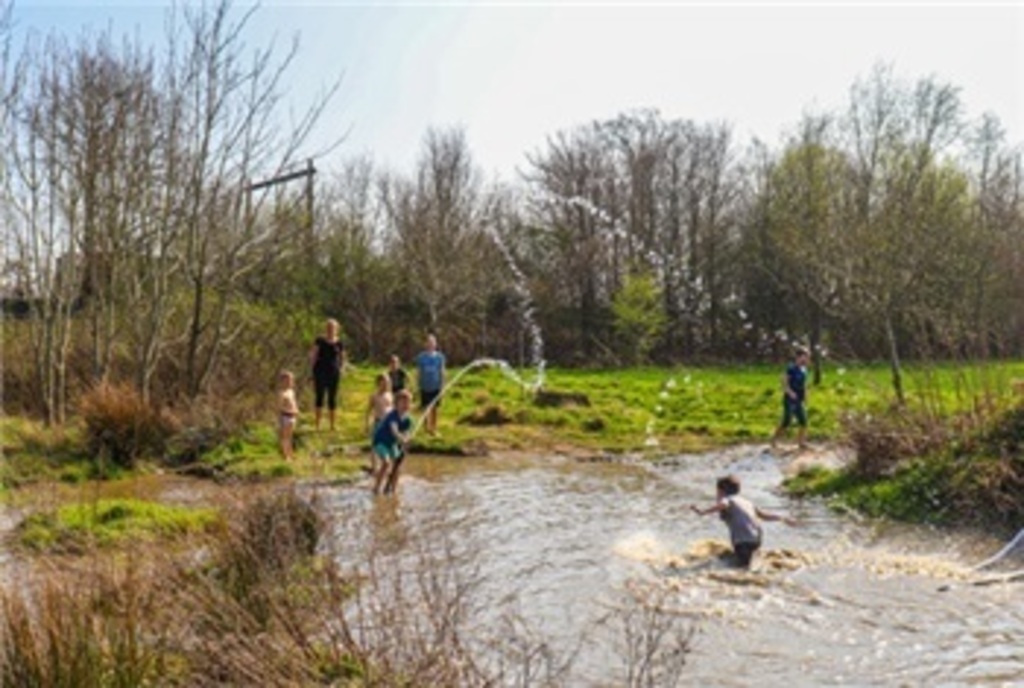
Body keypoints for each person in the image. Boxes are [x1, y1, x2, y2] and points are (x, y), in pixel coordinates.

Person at [691, 475, 796, 568]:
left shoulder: (727, 499)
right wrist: (783, 518)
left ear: (721, 491)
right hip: (756, 539)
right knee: (750, 562)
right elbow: (764, 516)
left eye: (717, 492)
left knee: (743, 569)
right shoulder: (747, 501)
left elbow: (723, 505)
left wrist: (703, 512)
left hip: (742, 541)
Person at [371, 389, 413, 495]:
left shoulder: (408, 419)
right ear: (396, 404)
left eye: (407, 402)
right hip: (381, 441)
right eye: (402, 402)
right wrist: (402, 439)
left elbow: (407, 432)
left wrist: (407, 439)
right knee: (386, 462)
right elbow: (394, 431)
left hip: (392, 444)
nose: (405, 405)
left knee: (397, 466)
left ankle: (393, 489)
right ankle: (376, 488)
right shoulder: (392, 416)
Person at [309, 318, 346, 431]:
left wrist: (342, 369)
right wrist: (311, 371)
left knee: (332, 397)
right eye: (329, 327)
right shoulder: (319, 340)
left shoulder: (339, 342)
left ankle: (332, 425)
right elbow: (314, 355)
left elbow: (342, 358)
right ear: (326, 328)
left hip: (333, 372)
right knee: (319, 396)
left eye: (333, 327)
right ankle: (317, 424)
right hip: (320, 371)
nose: (331, 329)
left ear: (337, 329)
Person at [772, 345, 810, 449]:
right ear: (799, 357)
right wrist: (790, 392)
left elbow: (804, 383)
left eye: (807, 357)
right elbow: (784, 381)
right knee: (786, 421)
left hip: (799, 399)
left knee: (804, 421)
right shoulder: (791, 368)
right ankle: (774, 441)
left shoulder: (804, 369)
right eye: (805, 356)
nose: (807, 359)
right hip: (789, 400)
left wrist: (806, 394)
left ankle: (801, 443)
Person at [414, 334, 445, 436]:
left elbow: (442, 371)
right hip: (424, 386)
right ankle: (425, 428)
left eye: (433, 342)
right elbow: (418, 372)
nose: (431, 344)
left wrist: (442, 385)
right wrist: (417, 385)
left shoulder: (440, 357)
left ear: (435, 344)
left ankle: (434, 428)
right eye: (429, 342)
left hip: (436, 386)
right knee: (424, 408)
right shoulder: (421, 357)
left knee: (435, 408)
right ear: (425, 344)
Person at [365, 373, 394, 475]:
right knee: (375, 446)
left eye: (388, 383)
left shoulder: (390, 395)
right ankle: (374, 467)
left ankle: (387, 467)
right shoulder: (374, 396)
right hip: (378, 423)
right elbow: (368, 411)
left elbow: (392, 409)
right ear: (378, 384)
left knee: (388, 444)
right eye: (384, 383)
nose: (386, 385)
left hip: (388, 424)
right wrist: (367, 424)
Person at [277, 370, 299, 461]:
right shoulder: (281, 393)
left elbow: (294, 402)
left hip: (293, 416)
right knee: (285, 437)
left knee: (290, 436)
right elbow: (280, 407)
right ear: (282, 381)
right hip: (286, 416)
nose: (290, 382)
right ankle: (286, 456)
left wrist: (296, 410)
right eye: (287, 380)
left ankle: (290, 453)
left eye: (291, 380)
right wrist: (290, 411)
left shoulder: (291, 391)